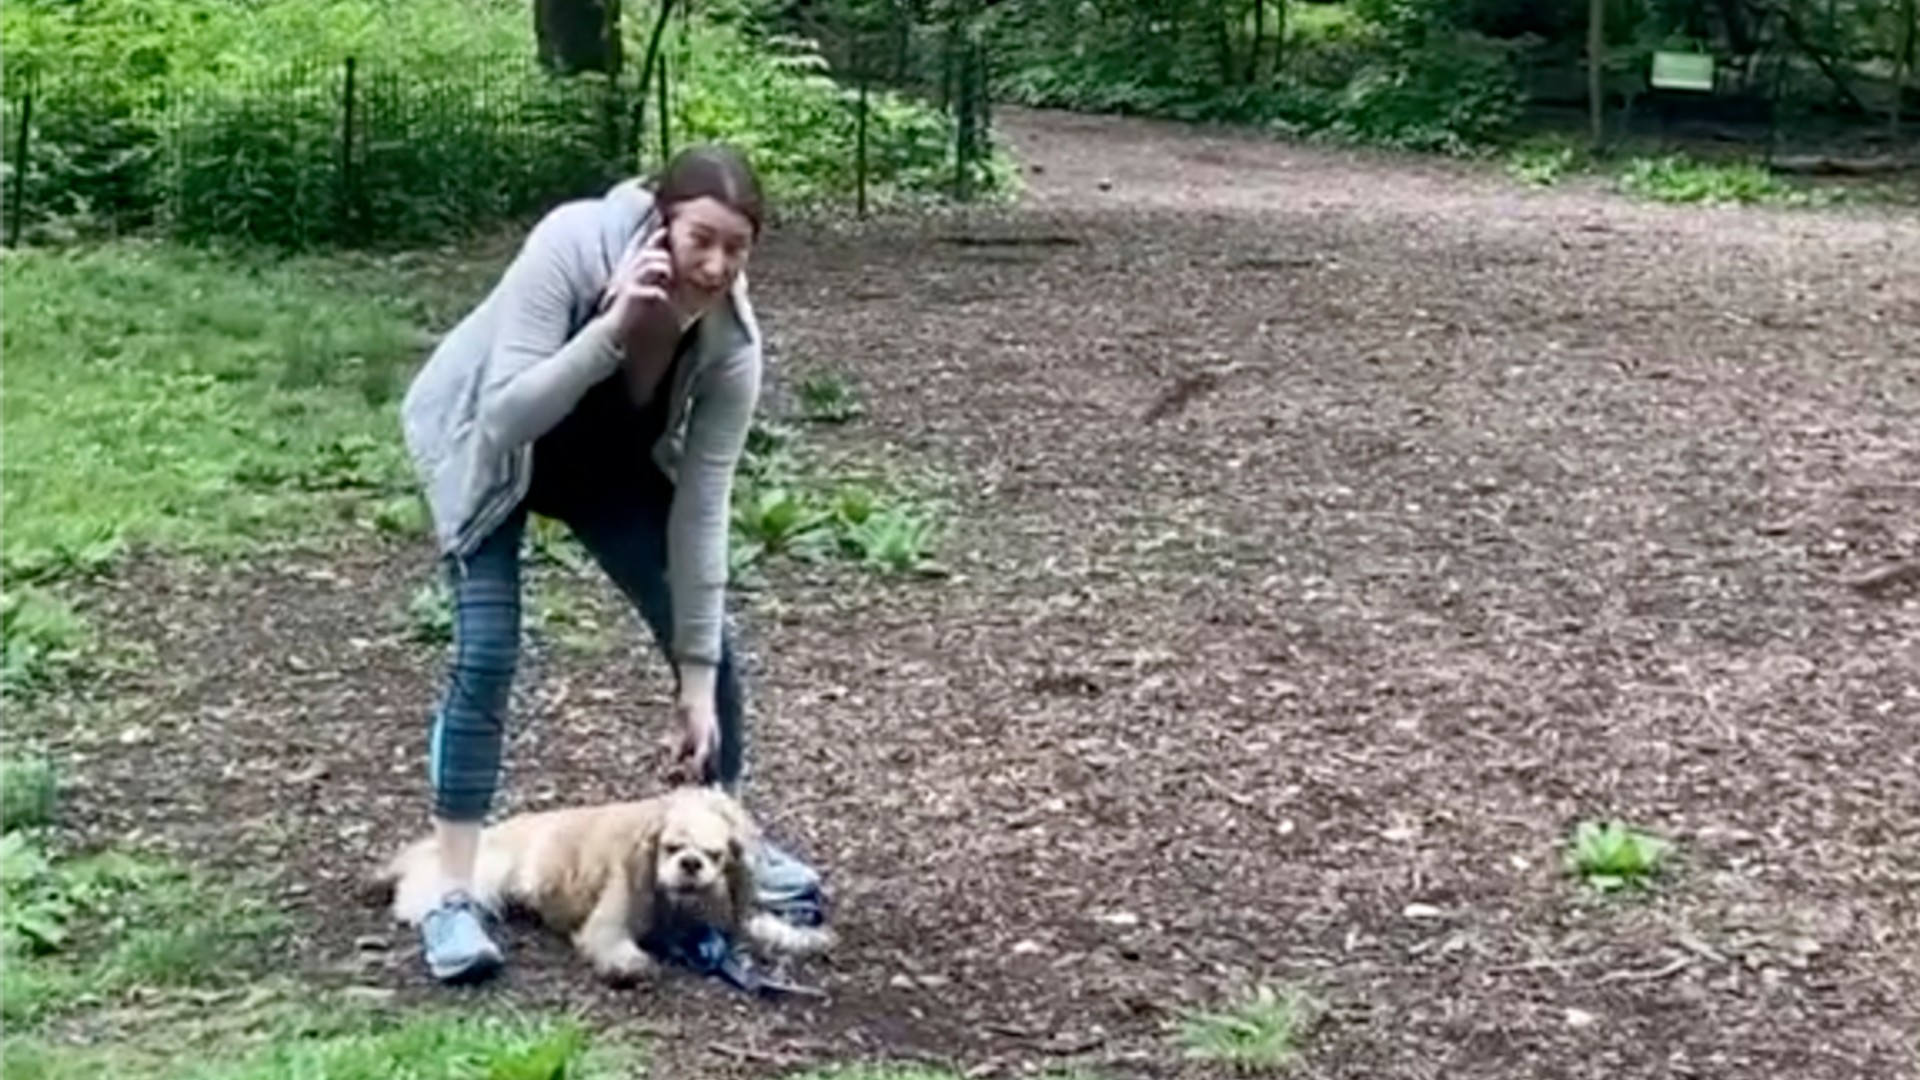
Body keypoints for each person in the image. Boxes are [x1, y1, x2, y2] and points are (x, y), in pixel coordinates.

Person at [397, 143, 819, 985]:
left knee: (712, 649)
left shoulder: (732, 342)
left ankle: (721, 846)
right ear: (662, 223)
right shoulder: (573, 244)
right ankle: (451, 894)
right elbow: (506, 416)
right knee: (487, 651)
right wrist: (611, 331)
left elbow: (702, 511)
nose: (717, 265)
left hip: (601, 468)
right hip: (489, 453)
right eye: (700, 239)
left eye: (738, 248)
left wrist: (694, 681)